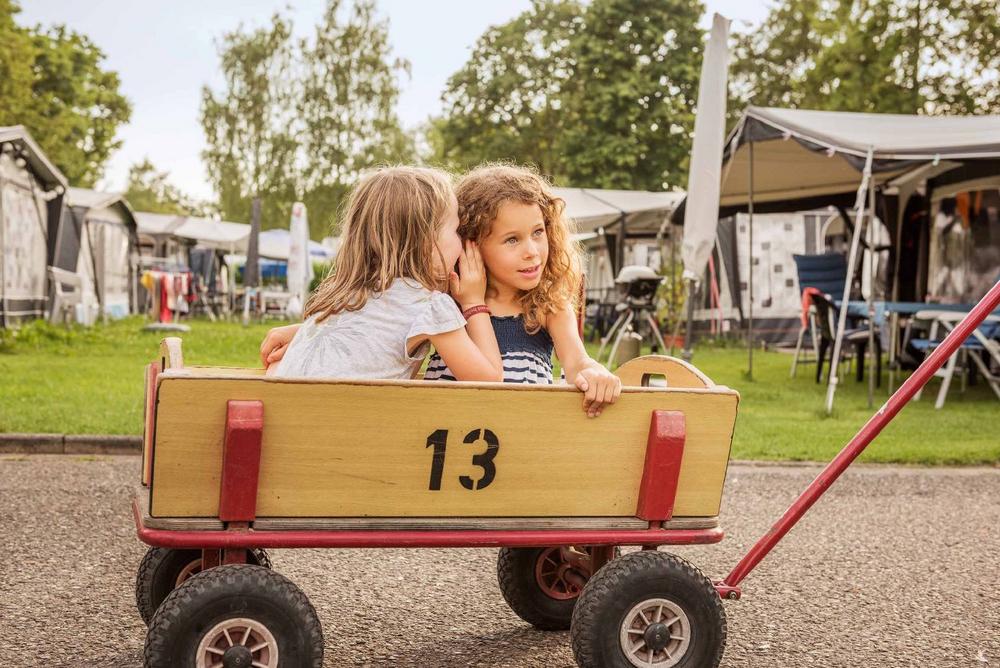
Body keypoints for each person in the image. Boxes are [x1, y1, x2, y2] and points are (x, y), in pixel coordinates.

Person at [263, 166, 503, 382]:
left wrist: (301, 333)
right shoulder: (429, 306)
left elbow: (369, 336)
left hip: (289, 421)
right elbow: (489, 381)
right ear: (427, 243)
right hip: (344, 428)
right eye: (456, 231)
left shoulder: (343, 295)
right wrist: (474, 303)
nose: (462, 242)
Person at [423, 164, 621, 417]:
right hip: (443, 444)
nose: (532, 251)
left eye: (538, 232)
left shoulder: (548, 307)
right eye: (512, 239)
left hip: (522, 444)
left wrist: (595, 373)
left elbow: (576, 362)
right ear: (471, 244)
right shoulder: (446, 301)